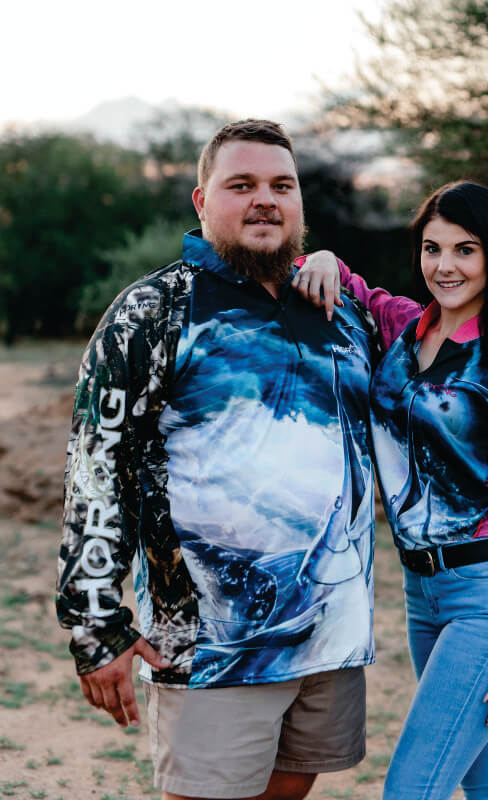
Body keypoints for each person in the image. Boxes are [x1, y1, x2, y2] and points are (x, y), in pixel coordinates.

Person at [56, 119, 379, 800]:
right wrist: (95, 623)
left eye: (281, 186)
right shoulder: (154, 311)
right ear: (202, 201)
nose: (265, 199)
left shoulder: (343, 314)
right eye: (242, 185)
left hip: (330, 634)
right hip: (211, 644)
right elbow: (97, 469)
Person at [293, 180, 488, 800]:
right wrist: (322, 258)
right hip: (421, 591)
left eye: (465, 250)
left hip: (487, 597)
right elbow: (352, 287)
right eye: (432, 248)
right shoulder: (403, 329)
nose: (445, 266)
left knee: (411, 790)